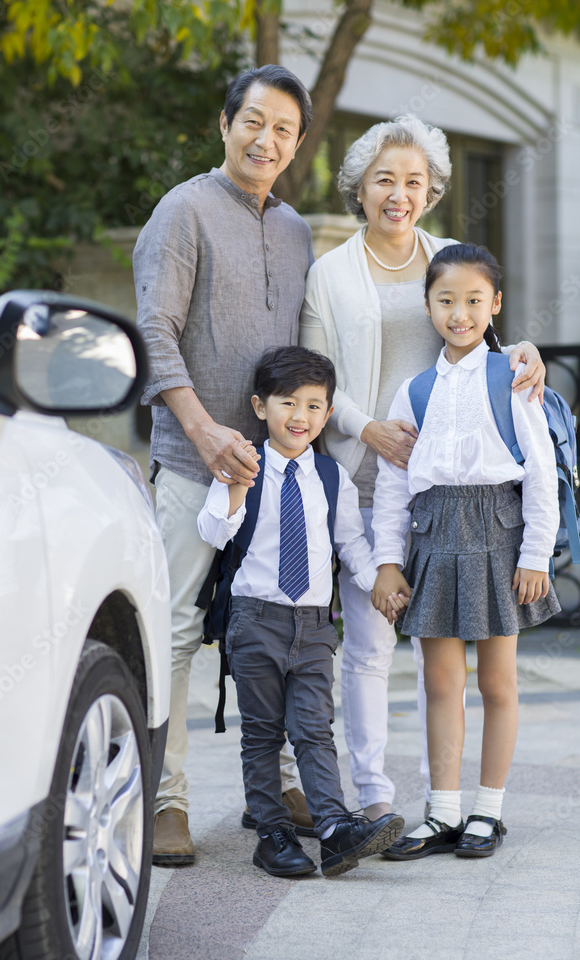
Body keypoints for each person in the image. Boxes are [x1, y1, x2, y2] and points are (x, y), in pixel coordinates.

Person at [299, 114, 546, 823]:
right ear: (359, 188)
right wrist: (367, 427)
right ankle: (376, 795)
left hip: (451, 483)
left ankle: (447, 799)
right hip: (369, 471)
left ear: (431, 189)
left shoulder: (450, 257)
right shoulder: (331, 272)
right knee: (372, 641)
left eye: (412, 180)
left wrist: (524, 346)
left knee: (437, 659)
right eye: (384, 179)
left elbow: (490, 333)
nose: (398, 193)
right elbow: (319, 372)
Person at [133, 65, 317, 865]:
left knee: (275, 630)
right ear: (224, 124)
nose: (264, 138)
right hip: (191, 462)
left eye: (281, 128)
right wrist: (204, 431)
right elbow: (152, 333)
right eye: (252, 120)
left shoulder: (297, 231)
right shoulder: (183, 211)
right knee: (173, 631)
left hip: (274, 471)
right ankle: (166, 802)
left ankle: (274, 783)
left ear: (297, 144)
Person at [373, 243, 560, 859]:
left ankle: (488, 810)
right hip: (432, 536)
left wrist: (536, 553)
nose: (460, 313)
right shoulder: (415, 390)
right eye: (446, 300)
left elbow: (539, 470)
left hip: (499, 536)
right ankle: (442, 811)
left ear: (495, 304)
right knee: (439, 681)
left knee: (498, 682)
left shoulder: (512, 376)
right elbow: (394, 483)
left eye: (474, 300)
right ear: (428, 306)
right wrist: (387, 560)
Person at [197, 346, 404, 877]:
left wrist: (379, 579)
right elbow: (213, 533)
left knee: (314, 728)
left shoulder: (330, 477)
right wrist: (235, 492)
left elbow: (350, 545)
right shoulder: (242, 465)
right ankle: (274, 833)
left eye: (314, 406)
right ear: (260, 406)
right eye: (288, 403)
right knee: (263, 731)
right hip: (255, 618)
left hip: (314, 626)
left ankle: (334, 830)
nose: (301, 416)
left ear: (328, 414)